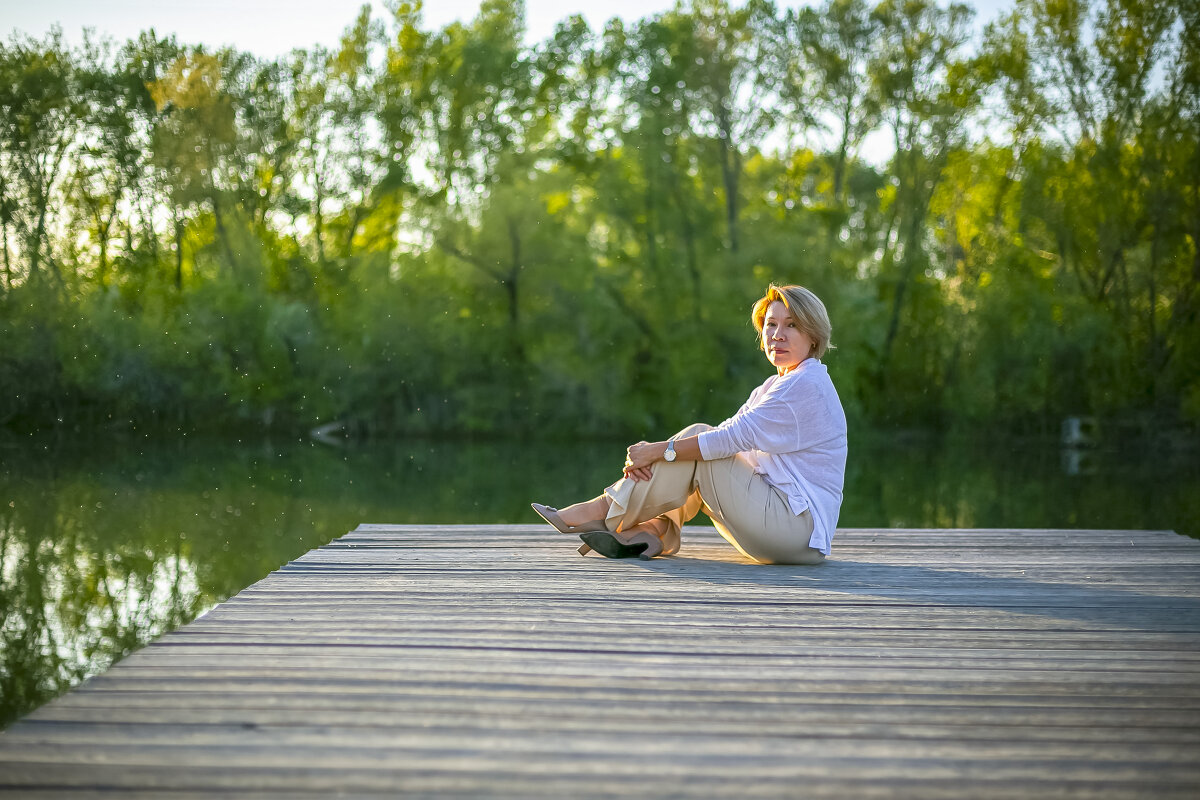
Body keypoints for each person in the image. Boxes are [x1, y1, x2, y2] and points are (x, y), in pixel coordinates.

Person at [533, 284, 848, 564]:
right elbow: (726, 432)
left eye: (791, 325)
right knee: (699, 448)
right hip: (785, 530)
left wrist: (658, 451)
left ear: (814, 336)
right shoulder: (776, 385)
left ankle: (602, 512)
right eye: (771, 324)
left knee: (700, 446)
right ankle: (650, 532)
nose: (777, 334)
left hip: (797, 532)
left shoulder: (805, 385)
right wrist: (664, 453)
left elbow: (727, 440)